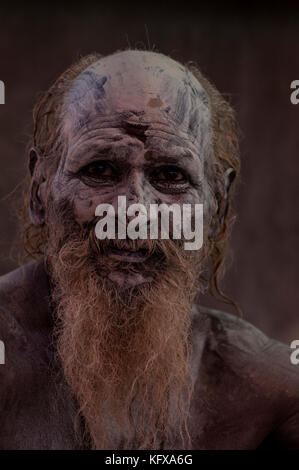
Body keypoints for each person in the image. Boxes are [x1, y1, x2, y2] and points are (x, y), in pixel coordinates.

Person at [0, 49, 298, 450]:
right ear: (40, 190)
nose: (135, 210)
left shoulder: (269, 395)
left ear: (217, 207)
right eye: (101, 170)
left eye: (171, 175)